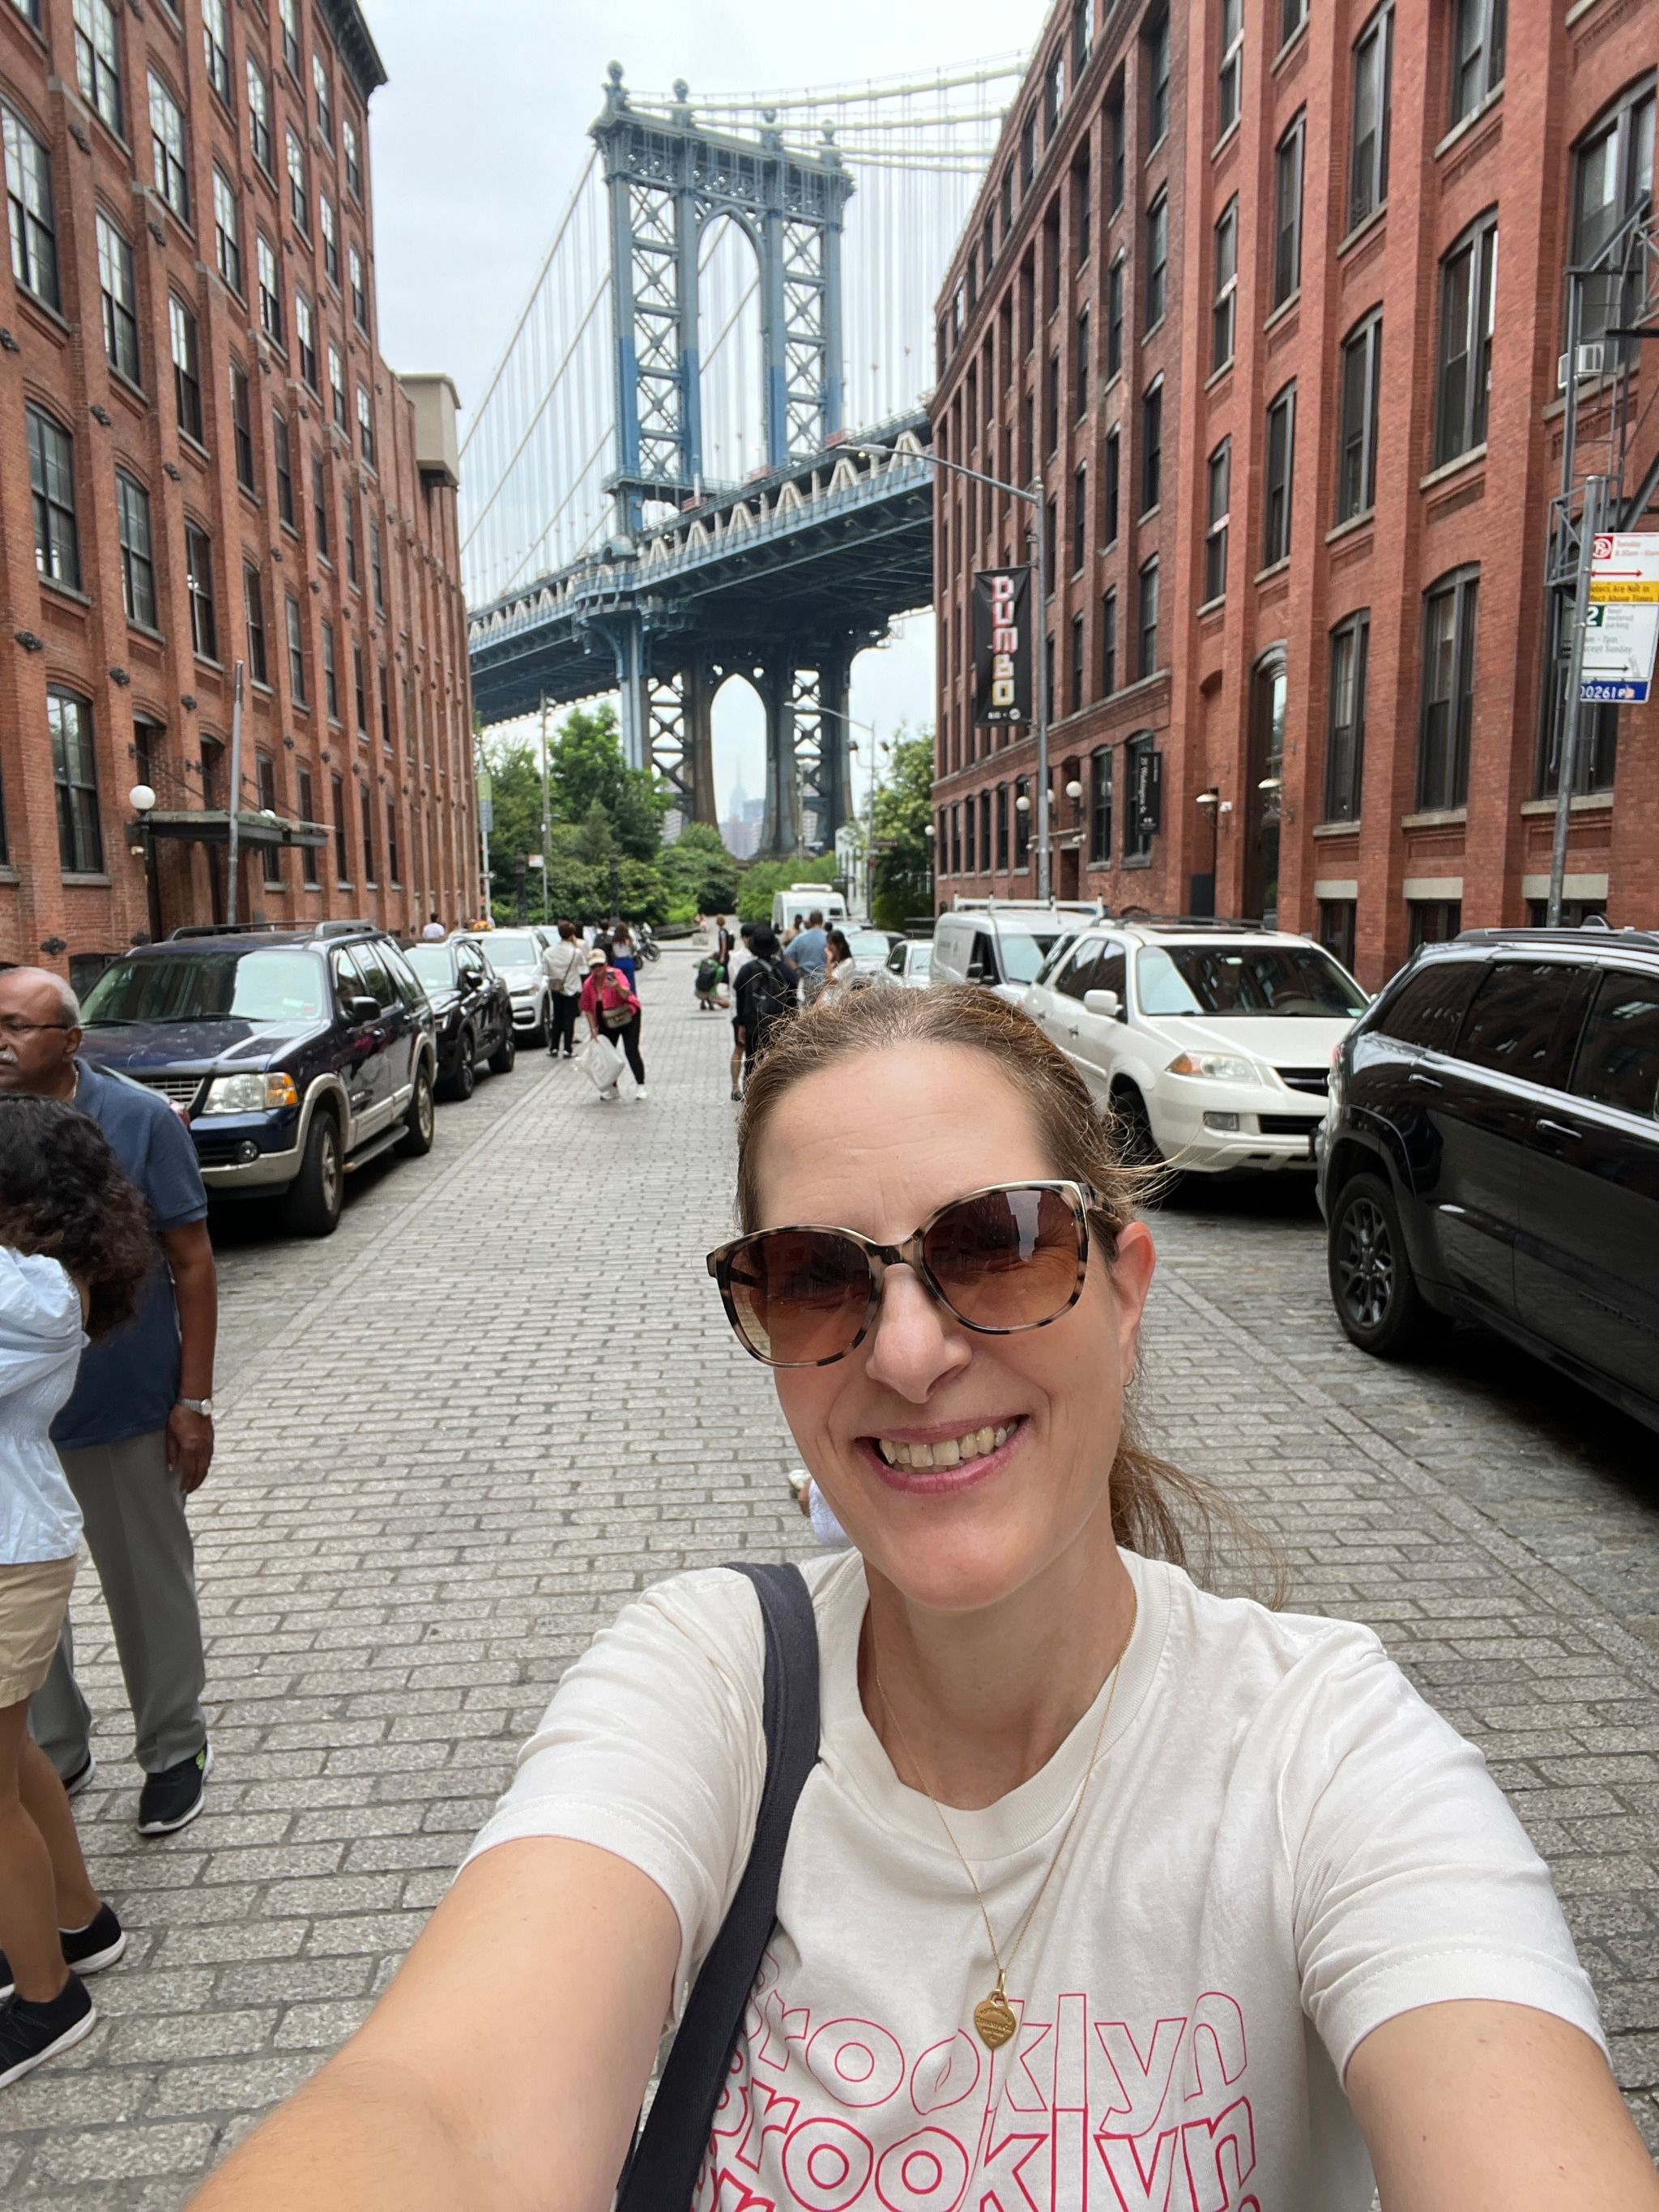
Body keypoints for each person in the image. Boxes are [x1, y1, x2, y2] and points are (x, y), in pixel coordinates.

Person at [196, 982, 1659, 2212]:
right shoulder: (703, 1684)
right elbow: (438, 2111)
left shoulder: (1322, 1751)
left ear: (1123, 1281)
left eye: (998, 1244)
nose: (905, 1354)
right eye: (815, 1278)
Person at [0, 970, 218, 1838]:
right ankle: (52, 1748)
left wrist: (193, 1398)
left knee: (145, 1585)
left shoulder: (138, 1119)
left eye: (18, 1025)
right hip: (14, 1426)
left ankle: (172, 1748)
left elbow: (193, 1260)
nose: (1, 1040)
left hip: (124, 1401)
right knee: (18, 1591)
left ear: (70, 1040)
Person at [0, 1096, 152, 2087]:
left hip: (8, 1555)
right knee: (10, 1760)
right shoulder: (40, 1283)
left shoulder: (33, 1293)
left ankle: (47, 1999)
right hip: (17, 1541)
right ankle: (77, 1919)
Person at [731, 923, 797, 1097]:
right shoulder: (784, 969)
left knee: (752, 1061)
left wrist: (741, 1025)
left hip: (754, 1024)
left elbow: (740, 998)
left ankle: (751, 1098)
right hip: (780, 1024)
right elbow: (793, 996)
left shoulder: (747, 970)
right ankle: (778, 1095)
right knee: (779, 1060)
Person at [579, 948, 646, 1103]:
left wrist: (616, 986)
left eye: (600, 966)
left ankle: (641, 1085)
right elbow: (587, 1008)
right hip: (606, 1020)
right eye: (594, 967)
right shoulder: (589, 984)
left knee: (631, 1050)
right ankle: (613, 1088)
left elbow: (627, 995)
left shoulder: (616, 975)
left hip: (628, 1015)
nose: (597, 970)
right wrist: (593, 1029)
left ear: (606, 964)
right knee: (608, 1055)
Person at [540, 921, 584, 1060]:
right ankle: (567, 1049)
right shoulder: (575, 952)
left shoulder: (548, 952)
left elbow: (545, 971)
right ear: (572, 935)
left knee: (557, 1018)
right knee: (569, 1019)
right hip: (571, 988)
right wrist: (575, 944)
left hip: (556, 988)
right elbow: (583, 965)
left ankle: (553, 1048)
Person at [727, 923, 757, 1102]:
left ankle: (752, 1085)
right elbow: (737, 985)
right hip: (740, 1008)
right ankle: (735, 1086)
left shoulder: (759, 956)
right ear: (745, 938)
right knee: (740, 1047)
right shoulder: (737, 958)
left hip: (756, 1009)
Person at [788, 907, 830, 1000]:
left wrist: (796, 969)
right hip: (826, 979)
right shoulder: (828, 938)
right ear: (822, 921)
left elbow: (787, 955)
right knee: (826, 1009)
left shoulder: (801, 938)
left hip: (808, 979)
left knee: (810, 1009)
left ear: (810, 921)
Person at [820, 926, 855, 995]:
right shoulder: (836, 962)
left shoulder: (848, 963)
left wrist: (829, 959)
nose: (828, 947)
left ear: (840, 945)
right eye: (828, 944)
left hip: (838, 1001)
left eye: (831, 944)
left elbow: (831, 982)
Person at [608, 924, 639, 995]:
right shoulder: (628, 940)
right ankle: (632, 997)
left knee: (619, 982)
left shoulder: (614, 941)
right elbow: (633, 950)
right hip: (628, 961)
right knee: (630, 982)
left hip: (618, 962)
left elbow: (614, 953)